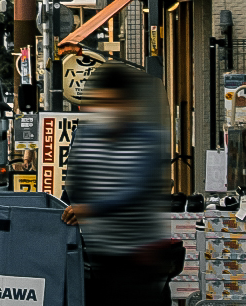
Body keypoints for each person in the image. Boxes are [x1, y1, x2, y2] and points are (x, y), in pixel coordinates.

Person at [60, 63, 171, 306]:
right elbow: (73, 184)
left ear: (130, 105)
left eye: (114, 103)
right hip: (95, 257)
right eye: (101, 103)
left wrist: (91, 209)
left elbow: (136, 190)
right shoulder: (85, 136)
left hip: (138, 260)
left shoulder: (147, 138)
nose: (107, 110)